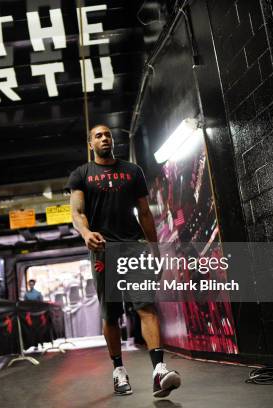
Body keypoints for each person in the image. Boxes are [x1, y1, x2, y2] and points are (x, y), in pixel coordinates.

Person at [66, 124, 181, 397]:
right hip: (103, 249)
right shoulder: (81, 174)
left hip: (134, 248)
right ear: (90, 144)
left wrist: (154, 250)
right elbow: (77, 211)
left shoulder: (132, 171)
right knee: (111, 314)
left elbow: (144, 212)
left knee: (146, 306)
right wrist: (85, 233)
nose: (104, 138)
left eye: (107, 134)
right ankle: (118, 370)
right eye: (98, 135)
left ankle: (159, 370)